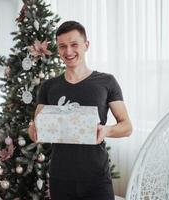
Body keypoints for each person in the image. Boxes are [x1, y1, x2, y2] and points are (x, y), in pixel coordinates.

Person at [28, 21, 132, 200]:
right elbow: (38, 129)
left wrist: (105, 130)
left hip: (97, 178)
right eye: (62, 46)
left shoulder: (106, 82)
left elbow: (127, 126)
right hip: (61, 178)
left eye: (74, 44)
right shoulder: (48, 87)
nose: (68, 51)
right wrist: (33, 130)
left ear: (86, 45)